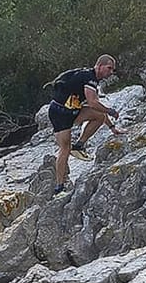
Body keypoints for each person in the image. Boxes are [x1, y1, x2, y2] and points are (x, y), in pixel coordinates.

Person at [45, 54, 121, 195]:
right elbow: (92, 102)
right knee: (64, 149)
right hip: (60, 113)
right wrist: (110, 111)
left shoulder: (90, 78)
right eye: (109, 68)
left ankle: (79, 146)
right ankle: (59, 186)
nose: (110, 72)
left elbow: (97, 107)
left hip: (69, 110)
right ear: (99, 66)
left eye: (113, 70)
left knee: (99, 116)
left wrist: (112, 127)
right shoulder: (89, 78)